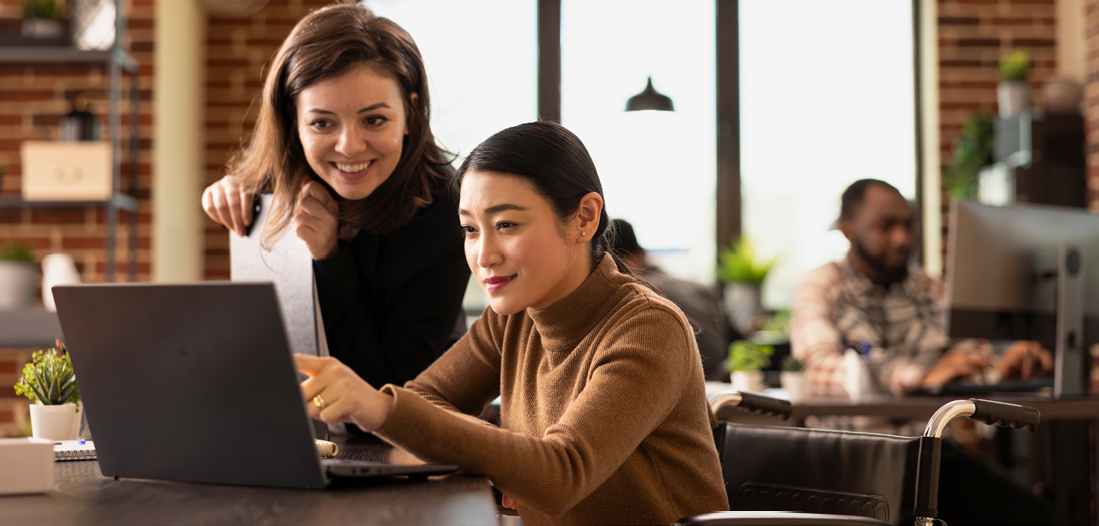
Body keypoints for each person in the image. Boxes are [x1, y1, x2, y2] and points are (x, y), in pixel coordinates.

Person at [294, 122, 728, 525]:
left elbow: (560, 474)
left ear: (584, 218)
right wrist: (511, 461)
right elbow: (425, 399)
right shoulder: (513, 319)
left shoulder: (649, 328)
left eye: (506, 224)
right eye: (470, 229)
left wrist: (379, 407)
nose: (484, 256)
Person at [201, 4, 469, 390]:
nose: (349, 146)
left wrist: (330, 256)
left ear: (410, 114)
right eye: (322, 122)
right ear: (293, 122)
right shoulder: (281, 174)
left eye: (374, 119)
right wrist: (230, 190)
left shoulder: (449, 209)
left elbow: (390, 388)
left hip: (407, 427)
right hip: (296, 420)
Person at [790, 179, 1050, 397]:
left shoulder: (930, 287)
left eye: (907, 225)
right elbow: (816, 371)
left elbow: (970, 360)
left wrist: (1002, 371)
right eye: (885, 226)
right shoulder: (821, 285)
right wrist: (920, 378)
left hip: (930, 443)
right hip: (852, 447)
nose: (902, 238)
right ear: (847, 230)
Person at [610, 218, 739, 380]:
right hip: (723, 388)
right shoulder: (702, 289)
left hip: (687, 386)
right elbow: (739, 341)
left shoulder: (636, 297)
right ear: (642, 253)